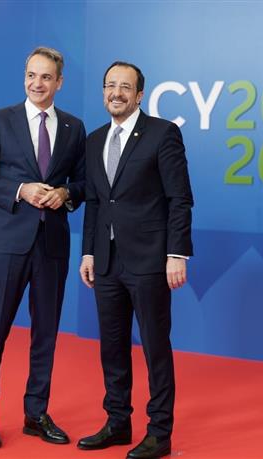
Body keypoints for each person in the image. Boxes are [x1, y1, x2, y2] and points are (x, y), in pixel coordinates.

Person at [0, 46, 85, 449]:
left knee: (46, 333)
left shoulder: (74, 127)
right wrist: (20, 190)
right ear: (24, 77)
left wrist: (65, 193)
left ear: (59, 82)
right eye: (32, 75)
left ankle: (36, 413)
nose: (37, 83)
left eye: (46, 77)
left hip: (52, 246)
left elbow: (84, 184)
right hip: (8, 244)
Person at [77, 61, 193, 459]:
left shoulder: (163, 133)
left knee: (155, 347)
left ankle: (160, 432)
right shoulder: (94, 140)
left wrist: (176, 253)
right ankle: (117, 422)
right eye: (110, 85)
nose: (116, 93)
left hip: (149, 261)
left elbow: (180, 198)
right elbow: (96, 202)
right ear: (103, 92)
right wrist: (89, 251)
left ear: (139, 95)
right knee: (112, 347)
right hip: (107, 262)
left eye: (125, 87)